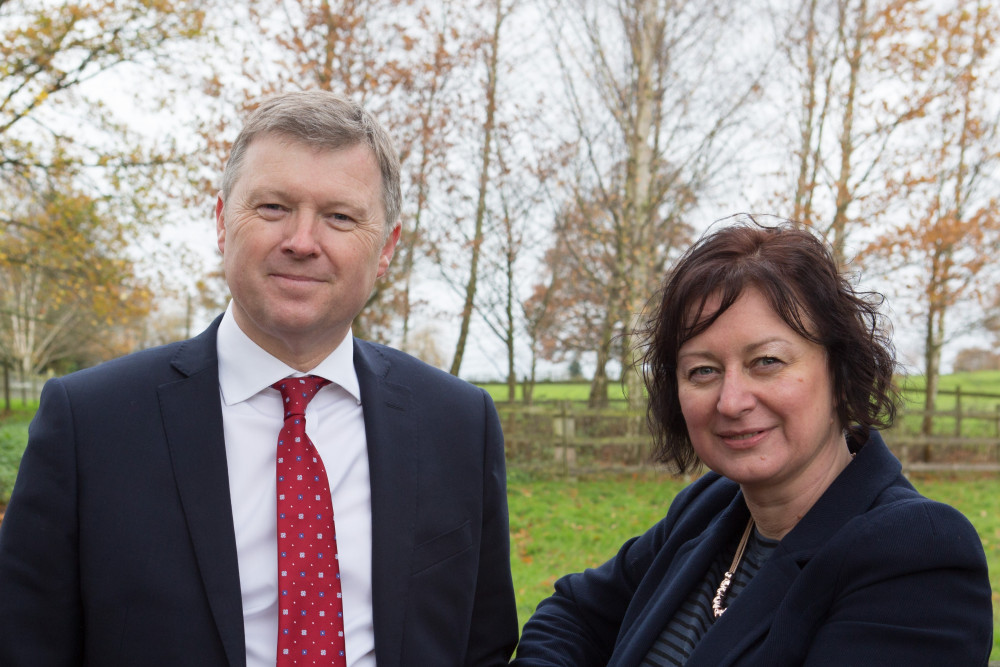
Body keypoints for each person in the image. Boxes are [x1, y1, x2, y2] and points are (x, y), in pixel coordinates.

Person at [0, 90, 518, 666]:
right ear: (223, 222)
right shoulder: (89, 423)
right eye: (273, 208)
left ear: (386, 249)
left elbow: (484, 644)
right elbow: (26, 645)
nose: (301, 241)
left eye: (340, 217)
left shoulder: (457, 423)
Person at [513, 218, 993, 666]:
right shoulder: (710, 508)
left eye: (767, 361)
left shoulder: (917, 554)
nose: (731, 401)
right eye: (702, 370)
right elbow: (572, 613)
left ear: (842, 375)